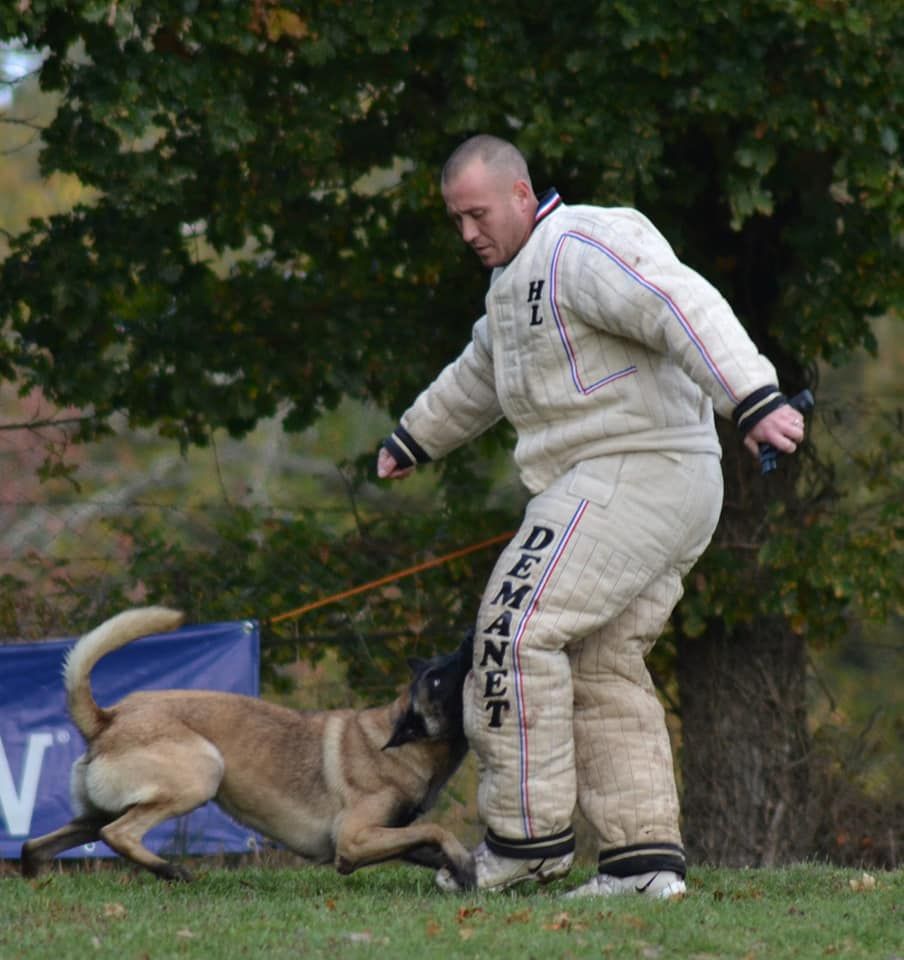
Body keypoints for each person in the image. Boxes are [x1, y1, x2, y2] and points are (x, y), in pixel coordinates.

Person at [376, 135, 805, 898]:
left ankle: (524, 847)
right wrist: (413, 437)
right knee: (600, 664)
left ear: (518, 194)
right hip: (640, 485)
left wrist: (753, 396)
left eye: (476, 214)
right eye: (455, 220)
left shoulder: (583, 244)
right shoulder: (513, 290)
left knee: (513, 631)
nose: (468, 232)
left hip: (635, 471)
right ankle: (643, 867)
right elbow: (476, 376)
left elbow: (679, 301)